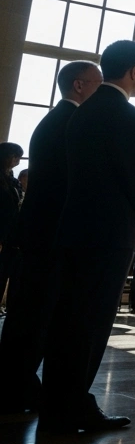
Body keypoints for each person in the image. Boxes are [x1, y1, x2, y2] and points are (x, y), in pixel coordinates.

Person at [42, 40, 135, 432]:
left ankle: (59, 402)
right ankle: (73, 405)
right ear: (133, 72)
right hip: (108, 235)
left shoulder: (85, 112)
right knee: (91, 323)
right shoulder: (122, 113)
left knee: (70, 319)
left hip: (77, 231)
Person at [0, 59, 100, 416]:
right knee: (36, 318)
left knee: (31, 315)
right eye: (96, 85)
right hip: (52, 237)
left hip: (41, 234)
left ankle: (18, 386)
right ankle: (16, 388)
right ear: (78, 85)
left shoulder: (53, 121)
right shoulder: (71, 123)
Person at [0, 143, 23, 310]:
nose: (17, 161)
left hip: (10, 234)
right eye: (16, 156)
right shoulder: (8, 182)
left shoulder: (12, 180)